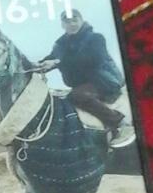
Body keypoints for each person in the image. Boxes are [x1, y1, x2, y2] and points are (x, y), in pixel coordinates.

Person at [38, 8, 135, 148]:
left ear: (82, 20)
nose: (72, 24)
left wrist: (57, 63)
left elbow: (93, 60)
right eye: (67, 21)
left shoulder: (96, 38)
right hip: (83, 85)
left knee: (77, 96)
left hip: (104, 82)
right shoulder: (60, 45)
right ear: (62, 25)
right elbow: (51, 59)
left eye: (75, 20)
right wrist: (36, 66)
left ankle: (120, 123)